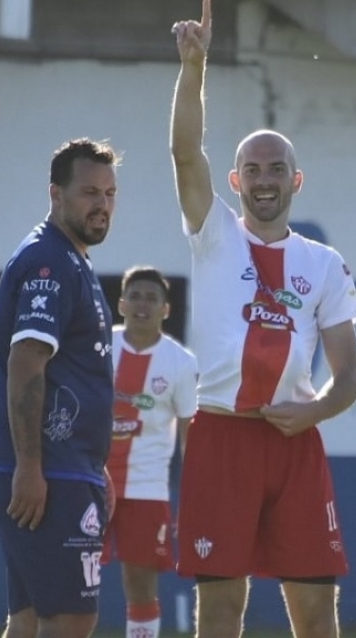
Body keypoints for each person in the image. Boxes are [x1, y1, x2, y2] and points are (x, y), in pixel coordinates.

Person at [170, 0, 356, 638]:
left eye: (276, 168)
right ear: (234, 180)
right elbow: (183, 151)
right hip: (221, 436)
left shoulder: (325, 264)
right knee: (222, 610)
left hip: (293, 444)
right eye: (252, 169)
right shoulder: (215, 236)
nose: (263, 179)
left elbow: (347, 379)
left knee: (315, 610)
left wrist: (313, 411)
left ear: (296, 181)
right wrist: (193, 69)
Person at [0, 138, 120, 638]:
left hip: (64, 466)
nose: (101, 204)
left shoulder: (71, 259)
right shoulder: (51, 261)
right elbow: (26, 363)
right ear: (56, 195)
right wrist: (32, 466)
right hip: (47, 470)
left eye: (109, 193)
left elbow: (71, 375)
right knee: (70, 618)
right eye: (89, 192)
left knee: (29, 620)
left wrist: (93, 464)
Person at [103, 265, 198, 638]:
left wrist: (195, 493)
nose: (143, 304)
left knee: (140, 583)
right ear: (122, 304)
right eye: (136, 296)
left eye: (152, 298)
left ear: (166, 309)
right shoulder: (99, 347)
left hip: (147, 488)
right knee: (76, 580)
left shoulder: (181, 363)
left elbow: (190, 432)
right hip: (91, 482)